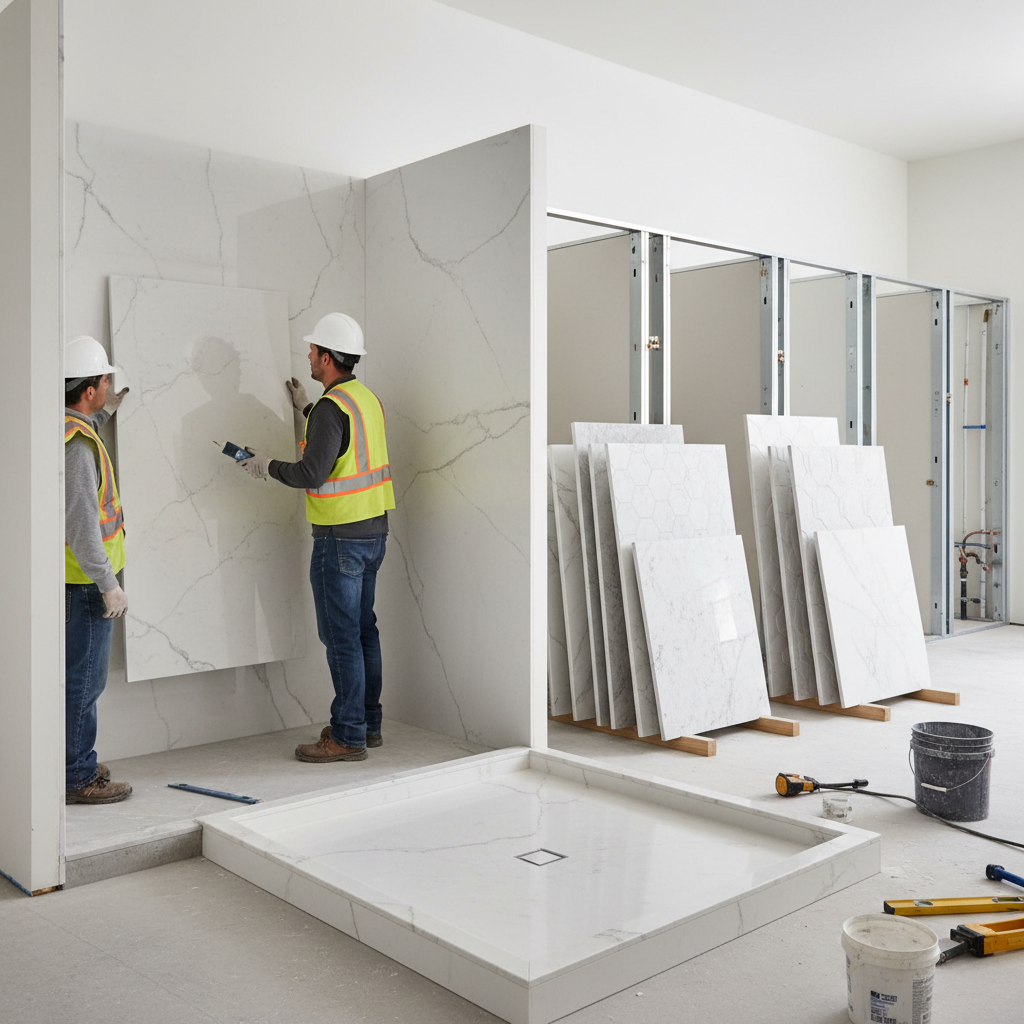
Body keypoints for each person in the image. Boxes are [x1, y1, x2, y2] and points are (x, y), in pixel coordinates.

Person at [241, 313, 395, 763]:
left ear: (327, 357)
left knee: (342, 637)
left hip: (340, 539)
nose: (307, 355)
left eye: (312, 351)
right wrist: (307, 408)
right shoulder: (364, 399)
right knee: (364, 631)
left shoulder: (333, 408)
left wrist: (267, 465)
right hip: (373, 534)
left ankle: (347, 735)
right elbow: (346, 443)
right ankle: (367, 723)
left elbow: (313, 472)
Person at [64, 336, 133, 804]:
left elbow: (88, 421)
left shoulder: (68, 425)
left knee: (78, 678)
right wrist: (109, 586)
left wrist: (110, 410)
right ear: (90, 388)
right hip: (88, 584)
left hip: (79, 581)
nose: (110, 383)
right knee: (85, 682)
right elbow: (84, 526)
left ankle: (75, 758)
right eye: (106, 379)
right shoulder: (79, 449)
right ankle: (77, 775)